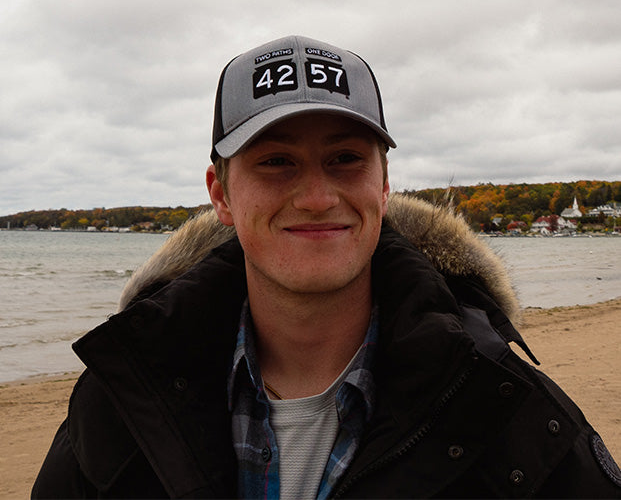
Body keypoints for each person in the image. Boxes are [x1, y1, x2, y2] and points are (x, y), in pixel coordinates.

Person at [33, 35, 621, 499]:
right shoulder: (121, 404)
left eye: (344, 159)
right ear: (221, 195)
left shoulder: (503, 406)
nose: (316, 196)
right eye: (276, 161)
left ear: (384, 186)